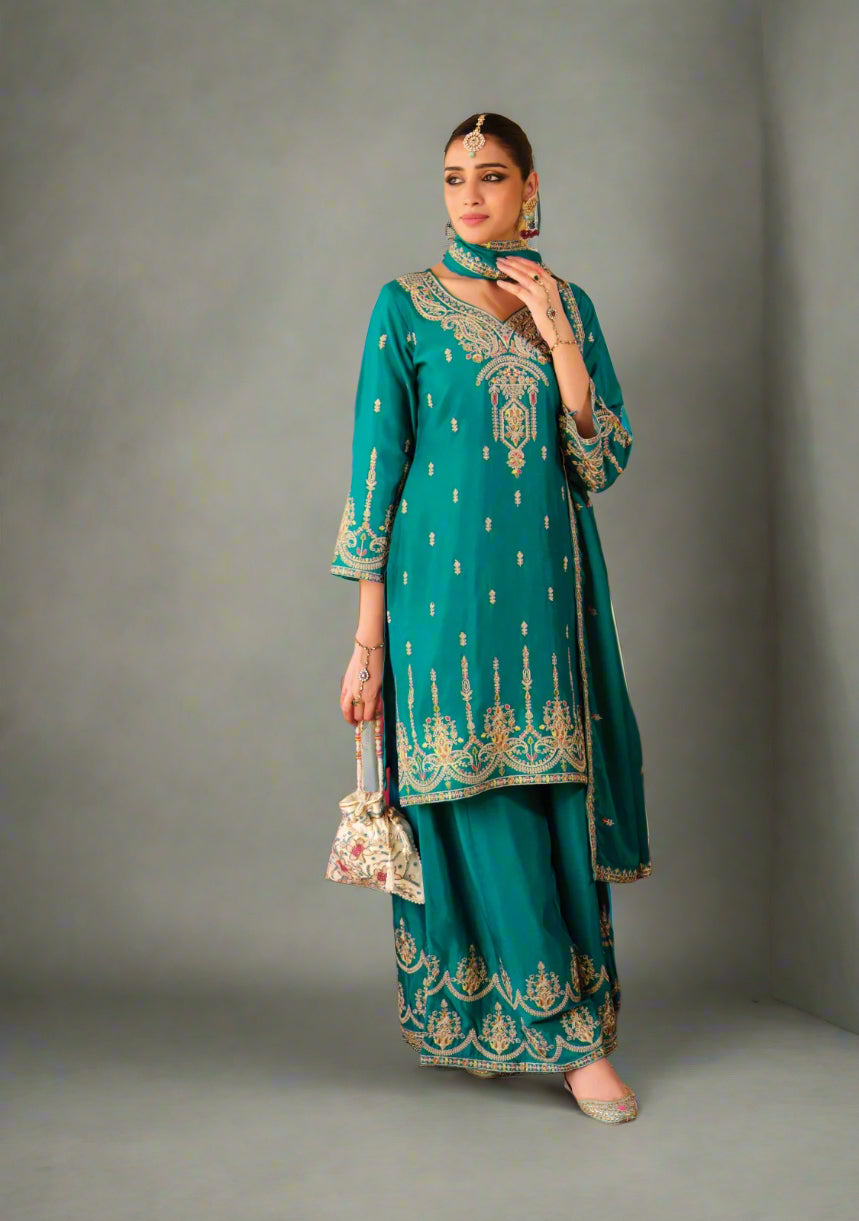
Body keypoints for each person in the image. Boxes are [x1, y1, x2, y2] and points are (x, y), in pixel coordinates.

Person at [330, 112, 652, 1124]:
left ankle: (534, 1019)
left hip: (545, 598)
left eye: (492, 176)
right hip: (436, 602)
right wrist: (366, 641)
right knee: (469, 800)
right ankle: (564, 1040)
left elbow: (597, 461)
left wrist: (556, 330)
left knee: (544, 795)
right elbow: (374, 477)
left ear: (529, 187)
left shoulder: (569, 304)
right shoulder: (405, 308)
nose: (470, 195)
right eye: (454, 177)